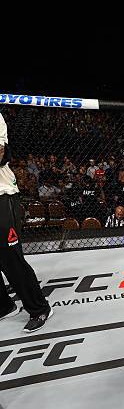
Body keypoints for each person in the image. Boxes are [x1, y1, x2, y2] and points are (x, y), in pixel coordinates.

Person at [0, 113, 53, 332]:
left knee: (11, 257)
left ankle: (39, 308)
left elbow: (1, 154)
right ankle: (4, 306)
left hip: (2, 194)